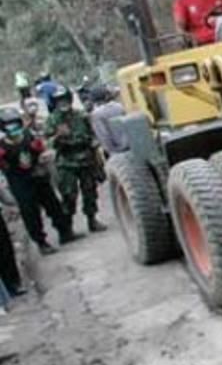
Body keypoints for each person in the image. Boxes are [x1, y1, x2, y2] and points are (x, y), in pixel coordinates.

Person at [0, 107, 77, 254]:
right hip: (20, 182)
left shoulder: (29, 137)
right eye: (9, 125)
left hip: (38, 176)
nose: (13, 128)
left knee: (53, 205)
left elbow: (42, 151)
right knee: (30, 213)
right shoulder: (2, 148)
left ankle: (65, 232)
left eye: (15, 124)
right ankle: (41, 242)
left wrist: (44, 158)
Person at [46, 86, 106, 233]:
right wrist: (58, 136)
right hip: (66, 162)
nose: (63, 103)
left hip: (86, 159)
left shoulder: (81, 115)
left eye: (65, 99)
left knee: (90, 191)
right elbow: (47, 143)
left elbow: (93, 134)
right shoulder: (52, 120)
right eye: (59, 101)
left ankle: (92, 220)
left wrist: (95, 146)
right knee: (68, 194)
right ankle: (68, 227)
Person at [89, 85, 128, 155]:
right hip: (130, 145)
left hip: (117, 151)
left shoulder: (96, 114)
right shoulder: (119, 106)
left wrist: (112, 153)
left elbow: (104, 136)